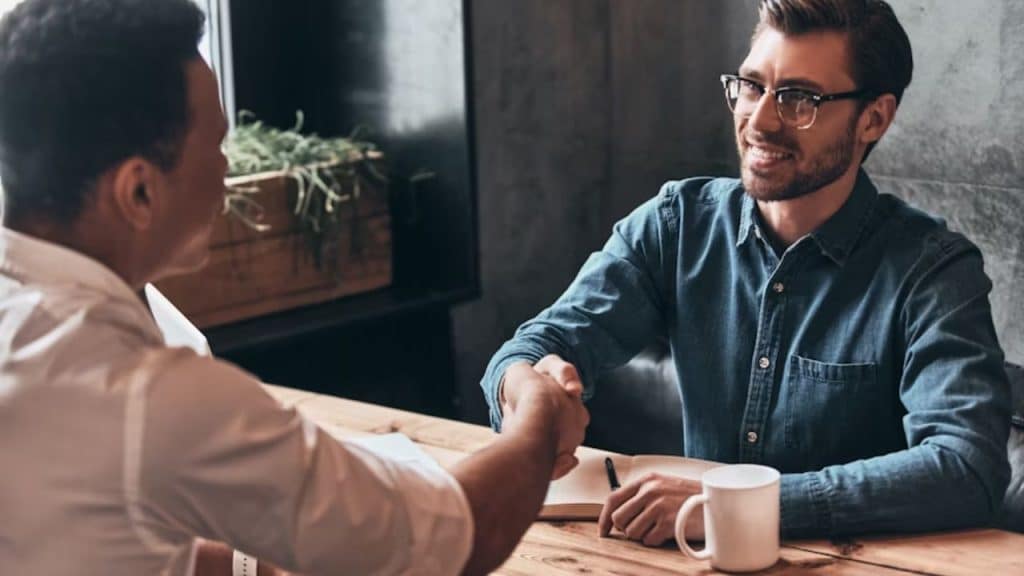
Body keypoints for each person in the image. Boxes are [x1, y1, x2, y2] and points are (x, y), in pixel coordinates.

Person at [0, 1, 589, 575]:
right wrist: (536, 415)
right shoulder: (139, 390)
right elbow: (452, 537)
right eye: (217, 148)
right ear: (140, 193)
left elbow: (105, 540)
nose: (228, 171)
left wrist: (257, 565)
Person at [482, 0, 1011, 545]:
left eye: (799, 99)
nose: (759, 120)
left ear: (873, 118)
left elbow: (967, 466)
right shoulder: (677, 224)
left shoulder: (934, 271)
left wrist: (734, 505)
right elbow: (534, 346)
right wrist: (530, 396)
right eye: (752, 86)